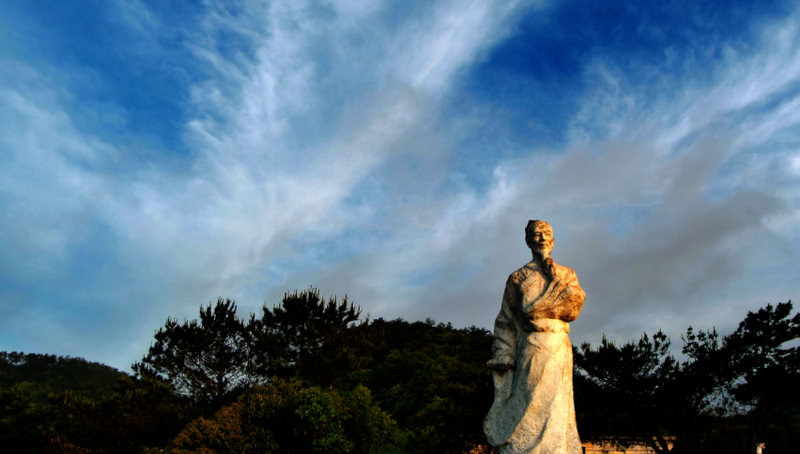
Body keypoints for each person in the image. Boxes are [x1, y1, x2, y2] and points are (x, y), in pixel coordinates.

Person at [484, 220, 586, 454]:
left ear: (553, 239)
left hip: (559, 346)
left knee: (558, 408)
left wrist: (543, 297)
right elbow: (506, 322)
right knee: (529, 404)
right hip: (532, 347)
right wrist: (503, 353)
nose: (541, 238)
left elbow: (574, 307)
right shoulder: (518, 278)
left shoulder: (566, 274)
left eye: (546, 233)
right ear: (528, 241)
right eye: (536, 234)